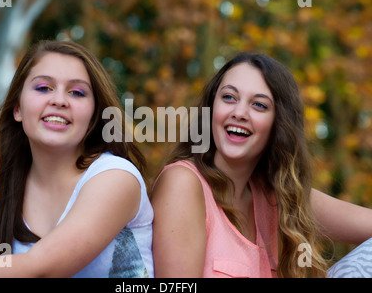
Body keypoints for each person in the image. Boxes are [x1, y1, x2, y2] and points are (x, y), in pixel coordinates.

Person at [0, 40, 154, 278]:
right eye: (43, 88)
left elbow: (41, 269)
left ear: (93, 116)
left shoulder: (116, 177)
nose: (59, 100)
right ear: (17, 109)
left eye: (77, 92)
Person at [151, 52, 372, 278]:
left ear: (279, 124)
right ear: (210, 109)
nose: (239, 113)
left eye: (258, 105)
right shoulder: (183, 184)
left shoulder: (278, 197)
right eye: (228, 97)